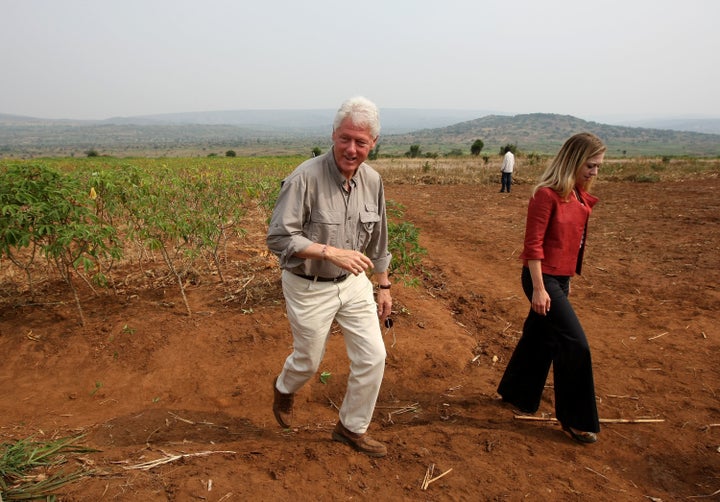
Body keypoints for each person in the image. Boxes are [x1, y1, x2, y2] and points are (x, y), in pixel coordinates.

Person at [266, 96, 392, 457]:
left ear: (373, 144)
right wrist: (329, 251)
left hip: (353, 284)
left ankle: (351, 428)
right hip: (309, 285)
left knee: (373, 357)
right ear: (333, 135)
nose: (351, 149)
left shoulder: (372, 181)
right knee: (308, 361)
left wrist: (383, 285)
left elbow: (379, 238)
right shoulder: (305, 177)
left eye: (361, 142)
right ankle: (285, 387)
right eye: (345, 139)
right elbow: (278, 237)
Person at [497, 132, 605, 444]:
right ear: (574, 160)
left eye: (598, 166)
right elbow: (532, 247)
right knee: (575, 344)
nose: (595, 171)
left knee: (540, 336)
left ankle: (517, 392)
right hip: (540, 278)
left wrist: (564, 281)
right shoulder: (546, 195)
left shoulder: (578, 196)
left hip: (560, 278)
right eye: (591, 165)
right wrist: (540, 290)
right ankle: (575, 418)